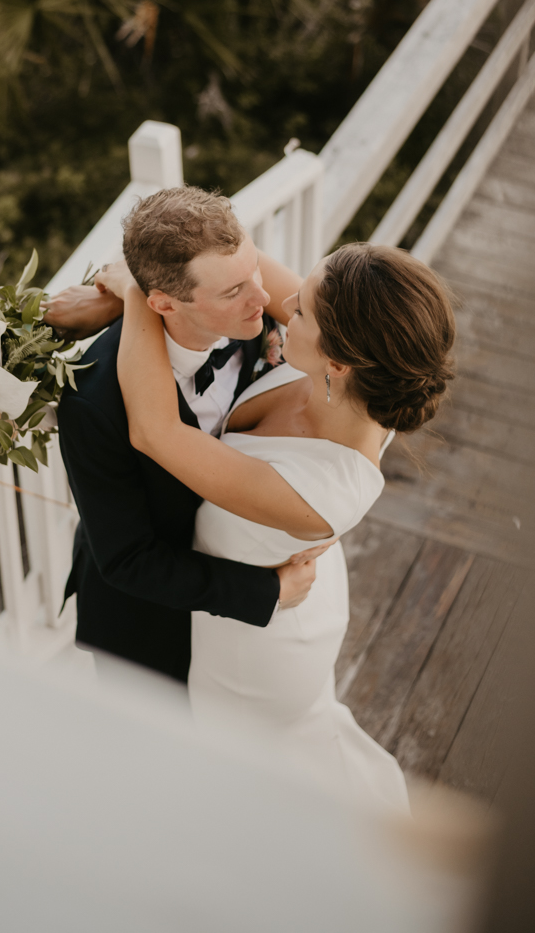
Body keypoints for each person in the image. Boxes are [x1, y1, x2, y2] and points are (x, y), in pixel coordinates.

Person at [93, 239, 455, 812]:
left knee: (256, 782)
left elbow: (155, 432)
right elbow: (241, 252)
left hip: (256, 648)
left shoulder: (319, 492)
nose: (283, 302)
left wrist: (140, 291)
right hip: (298, 581)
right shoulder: (360, 374)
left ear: (338, 362)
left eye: (303, 309)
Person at [47, 188, 323, 685]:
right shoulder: (93, 402)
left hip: (247, 632)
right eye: (232, 291)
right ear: (162, 303)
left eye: (253, 270)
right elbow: (128, 559)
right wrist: (267, 592)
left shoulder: (259, 324)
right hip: (149, 626)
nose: (265, 298)